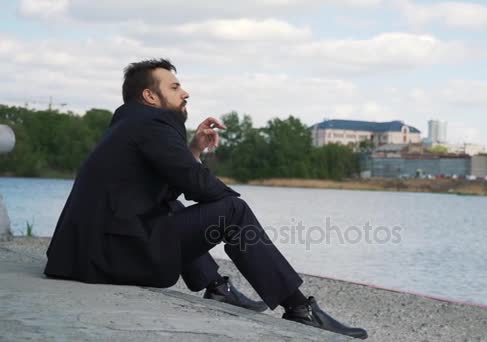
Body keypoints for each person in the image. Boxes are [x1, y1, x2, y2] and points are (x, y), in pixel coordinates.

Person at [44, 58, 367, 339]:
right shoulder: (153, 124)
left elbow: (167, 184)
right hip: (109, 258)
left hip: (82, 256)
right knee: (233, 211)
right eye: (174, 87)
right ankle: (299, 308)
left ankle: (216, 287)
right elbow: (199, 186)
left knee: (172, 207)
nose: (185, 93)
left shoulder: (130, 123)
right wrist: (234, 208)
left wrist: (194, 150)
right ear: (150, 96)